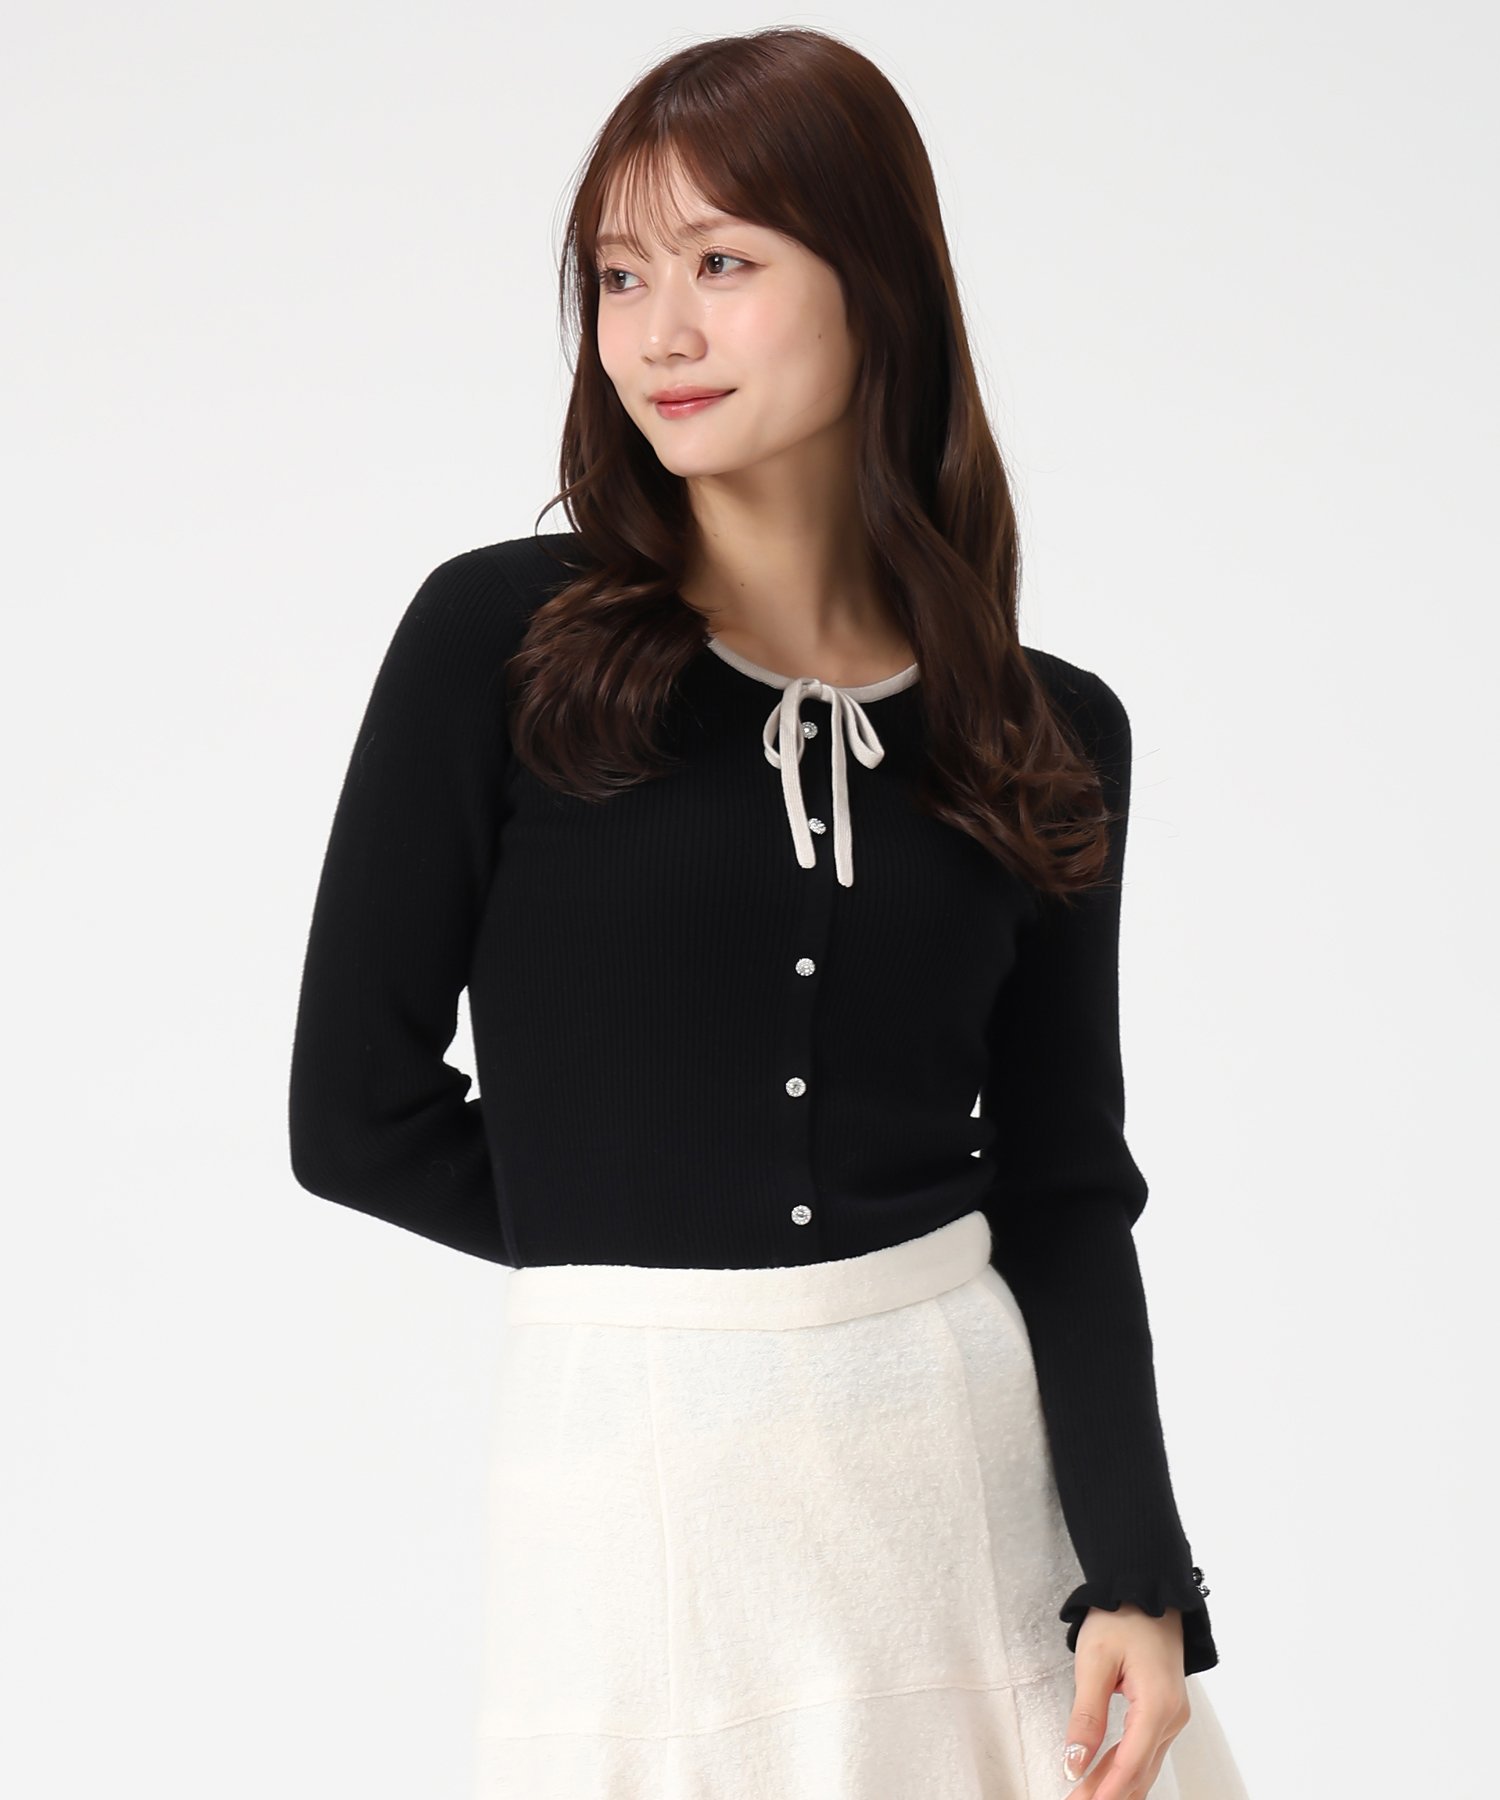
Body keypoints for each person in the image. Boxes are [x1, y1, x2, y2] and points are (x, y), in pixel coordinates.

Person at [288, 26, 1249, 1800]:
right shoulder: (496, 644)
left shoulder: (1046, 726)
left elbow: (1063, 1183)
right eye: (619, 276)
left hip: (973, 1471)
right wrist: (666, 1256)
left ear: (877, 284)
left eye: (722, 263)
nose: (659, 331)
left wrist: (1139, 1572)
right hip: (644, 1480)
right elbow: (353, 1119)